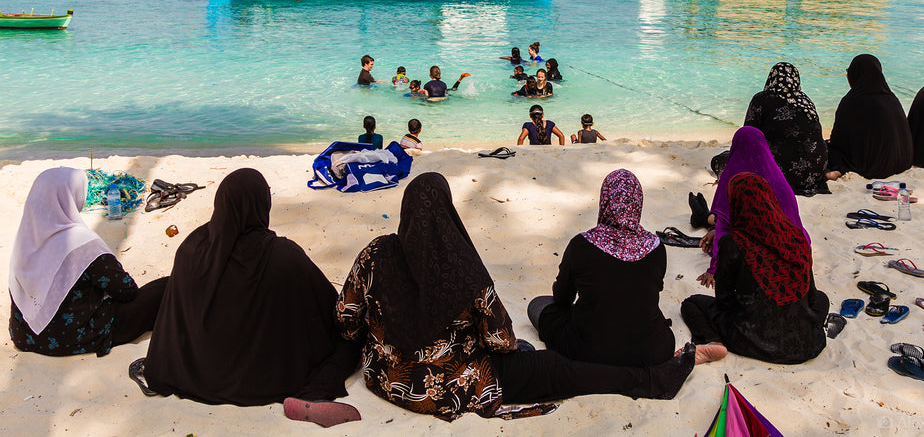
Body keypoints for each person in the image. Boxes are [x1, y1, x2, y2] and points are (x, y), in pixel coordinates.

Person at [336, 172, 722, 421]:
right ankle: (651, 381)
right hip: (459, 385)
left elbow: (346, 319)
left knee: (546, 316)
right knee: (555, 369)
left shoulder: (375, 253)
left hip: (384, 377)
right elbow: (500, 340)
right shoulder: (464, 268)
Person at [140, 169, 362, 424]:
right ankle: (313, 393)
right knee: (350, 339)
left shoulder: (192, 248)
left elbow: (174, 315)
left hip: (192, 373)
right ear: (262, 204)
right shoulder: (283, 257)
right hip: (265, 380)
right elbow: (332, 310)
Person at [9, 167, 167, 357]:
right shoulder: (82, 243)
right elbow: (126, 291)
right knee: (165, 287)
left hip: (25, 336)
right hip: (76, 337)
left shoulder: (25, 240)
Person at [528, 170, 675, 367]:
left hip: (590, 351)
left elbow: (562, 299)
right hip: (651, 351)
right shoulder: (656, 247)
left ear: (604, 201)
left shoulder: (582, 245)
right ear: (638, 203)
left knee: (538, 305)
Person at [680, 173, 828, 365]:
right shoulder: (796, 237)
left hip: (752, 339)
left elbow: (724, 300)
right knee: (822, 299)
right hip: (806, 344)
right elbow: (811, 295)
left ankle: (712, 340)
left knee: (691, 304)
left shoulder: (733, 243)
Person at [697, 126, 809, 290]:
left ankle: (701, 216)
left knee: (723, 236)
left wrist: (714, 269)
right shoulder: (779, 179)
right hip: (794, 252)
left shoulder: (733, 182)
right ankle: (702, 216)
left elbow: (724, 232)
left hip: (762, 260)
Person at [743, 62, 829, 196]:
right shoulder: (805, 100)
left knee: (721, 160)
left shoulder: (761, 98)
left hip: (781, 173)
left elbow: (747, 135)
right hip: (815, 172)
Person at [825, 54, 913, 180]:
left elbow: (838, 140)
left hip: (870, 166)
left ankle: (837, 171)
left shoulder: (851, 101)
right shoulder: (892, 99)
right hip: (901, 162)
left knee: (826, 148)